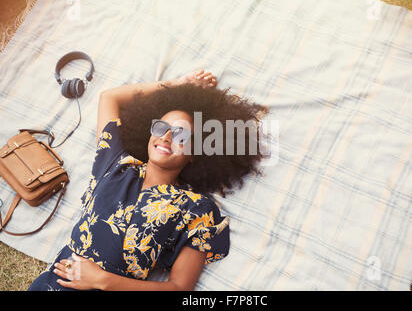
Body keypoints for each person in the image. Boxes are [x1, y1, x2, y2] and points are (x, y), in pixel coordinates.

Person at [28, 70, 269, 291]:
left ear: (194, 153)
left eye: (180, 134)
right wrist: (177, 85)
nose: (166, 137)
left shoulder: (196, 208)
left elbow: (179, 288)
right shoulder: (116, 162)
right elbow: (109, 98)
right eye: (161, 127)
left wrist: (103, 280)